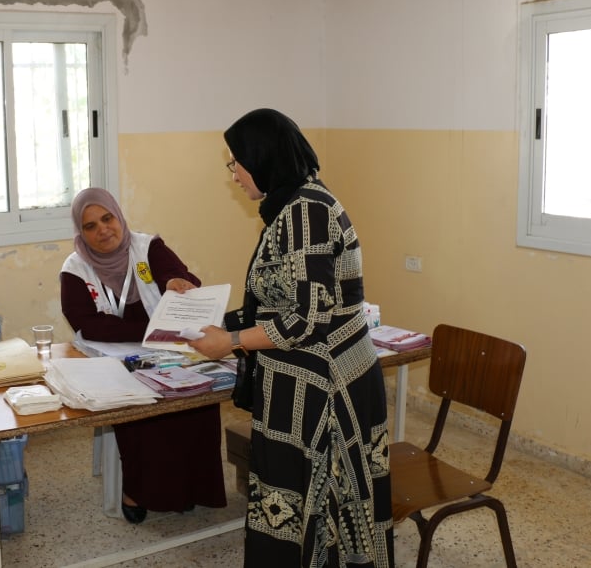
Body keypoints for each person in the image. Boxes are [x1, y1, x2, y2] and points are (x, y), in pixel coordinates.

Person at [188, 108, 394, 567]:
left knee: (322, 512)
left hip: (328, 395)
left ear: (263, 157)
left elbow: (305, 320)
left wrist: (233, 341)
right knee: (294, 510)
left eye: (236, 162)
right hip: (303, 387)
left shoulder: (306, 213)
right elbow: (279, 298)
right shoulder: (290, 206)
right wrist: (222, 323)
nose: (235, 175)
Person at [60, 187, 228, 524]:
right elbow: (88, 325)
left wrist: (176, 283)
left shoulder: (147, 246)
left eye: (107, 219)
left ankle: (194, 488)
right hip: (115, 352)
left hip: (167, 344)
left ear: (118, 217)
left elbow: (181, 278)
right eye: (90, 226)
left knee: (195, 394)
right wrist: (152, 330)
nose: (103, 230)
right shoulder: (75, 268)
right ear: (81, 232)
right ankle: (136, 490)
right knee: (138, 401)